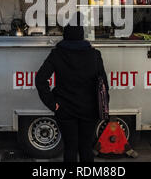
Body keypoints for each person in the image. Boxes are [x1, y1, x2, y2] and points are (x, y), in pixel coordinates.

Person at [35, 13, 109, 162]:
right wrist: (102, 105)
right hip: (89, 109)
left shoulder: (57, 54)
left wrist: (52, 104)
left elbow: (40, 79)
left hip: (64, 109)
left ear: (66, 36)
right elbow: (104, 84)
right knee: (86, 147)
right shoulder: (94, 55)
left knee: (70, 147)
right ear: (82, 36)